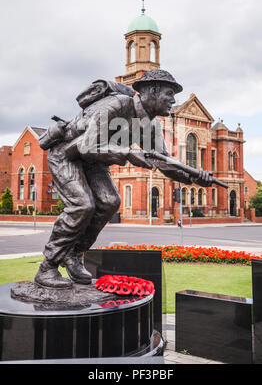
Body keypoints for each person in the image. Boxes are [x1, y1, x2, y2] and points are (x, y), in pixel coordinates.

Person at [34, 69, 212, 288]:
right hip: (67, 154)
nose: (173, 100)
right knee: (82, 205)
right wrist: (127, 153)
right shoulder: (117, 105)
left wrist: (194, 177)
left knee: (109, 202)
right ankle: (47, 267)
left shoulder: (150, 125)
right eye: (169, 94)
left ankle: (74, 254)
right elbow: (86, 145)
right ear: (153, 91)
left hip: (95, 162)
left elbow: (164, 162)